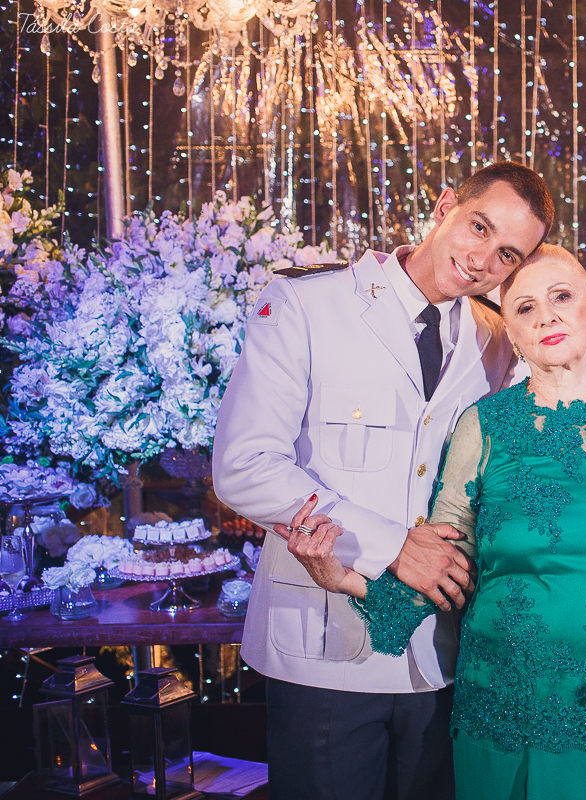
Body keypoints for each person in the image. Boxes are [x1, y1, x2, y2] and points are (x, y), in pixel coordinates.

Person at [279, 245, 586, 800]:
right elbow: (444, 559)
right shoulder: (485, 425)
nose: (546, 316)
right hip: (513, 703)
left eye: (562, 297)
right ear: (511, 334)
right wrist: (344, 578)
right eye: (524, 308)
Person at [211, 162, 553, 800]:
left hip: (439, 654)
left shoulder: (500, 340)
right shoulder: (307, 303)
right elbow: (244, 464)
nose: (482, 260)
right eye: (478, 227)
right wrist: (394, 546)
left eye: (507, 253)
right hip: (322, 643)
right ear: (445, 204)